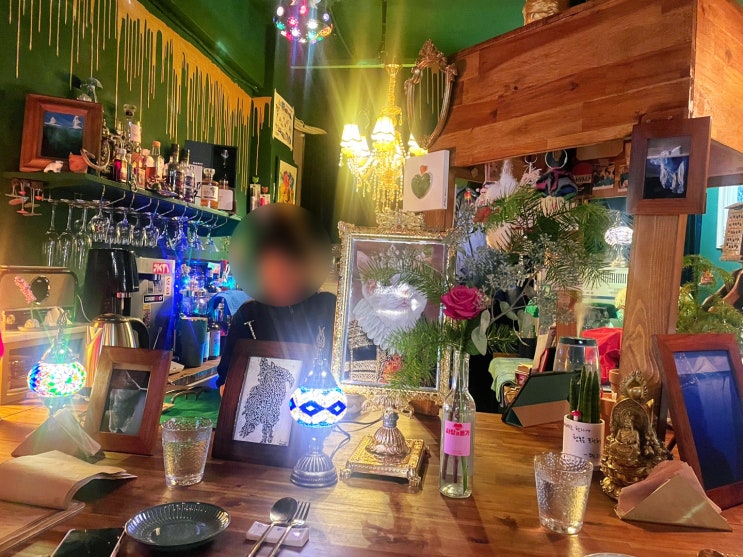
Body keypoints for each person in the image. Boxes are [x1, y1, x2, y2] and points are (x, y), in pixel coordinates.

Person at [217, 204, 335, 394]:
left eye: (285, 270)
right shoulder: (248, 315)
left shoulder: (330, 308)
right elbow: (226, 382)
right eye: (270, 273)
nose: (278, 280)